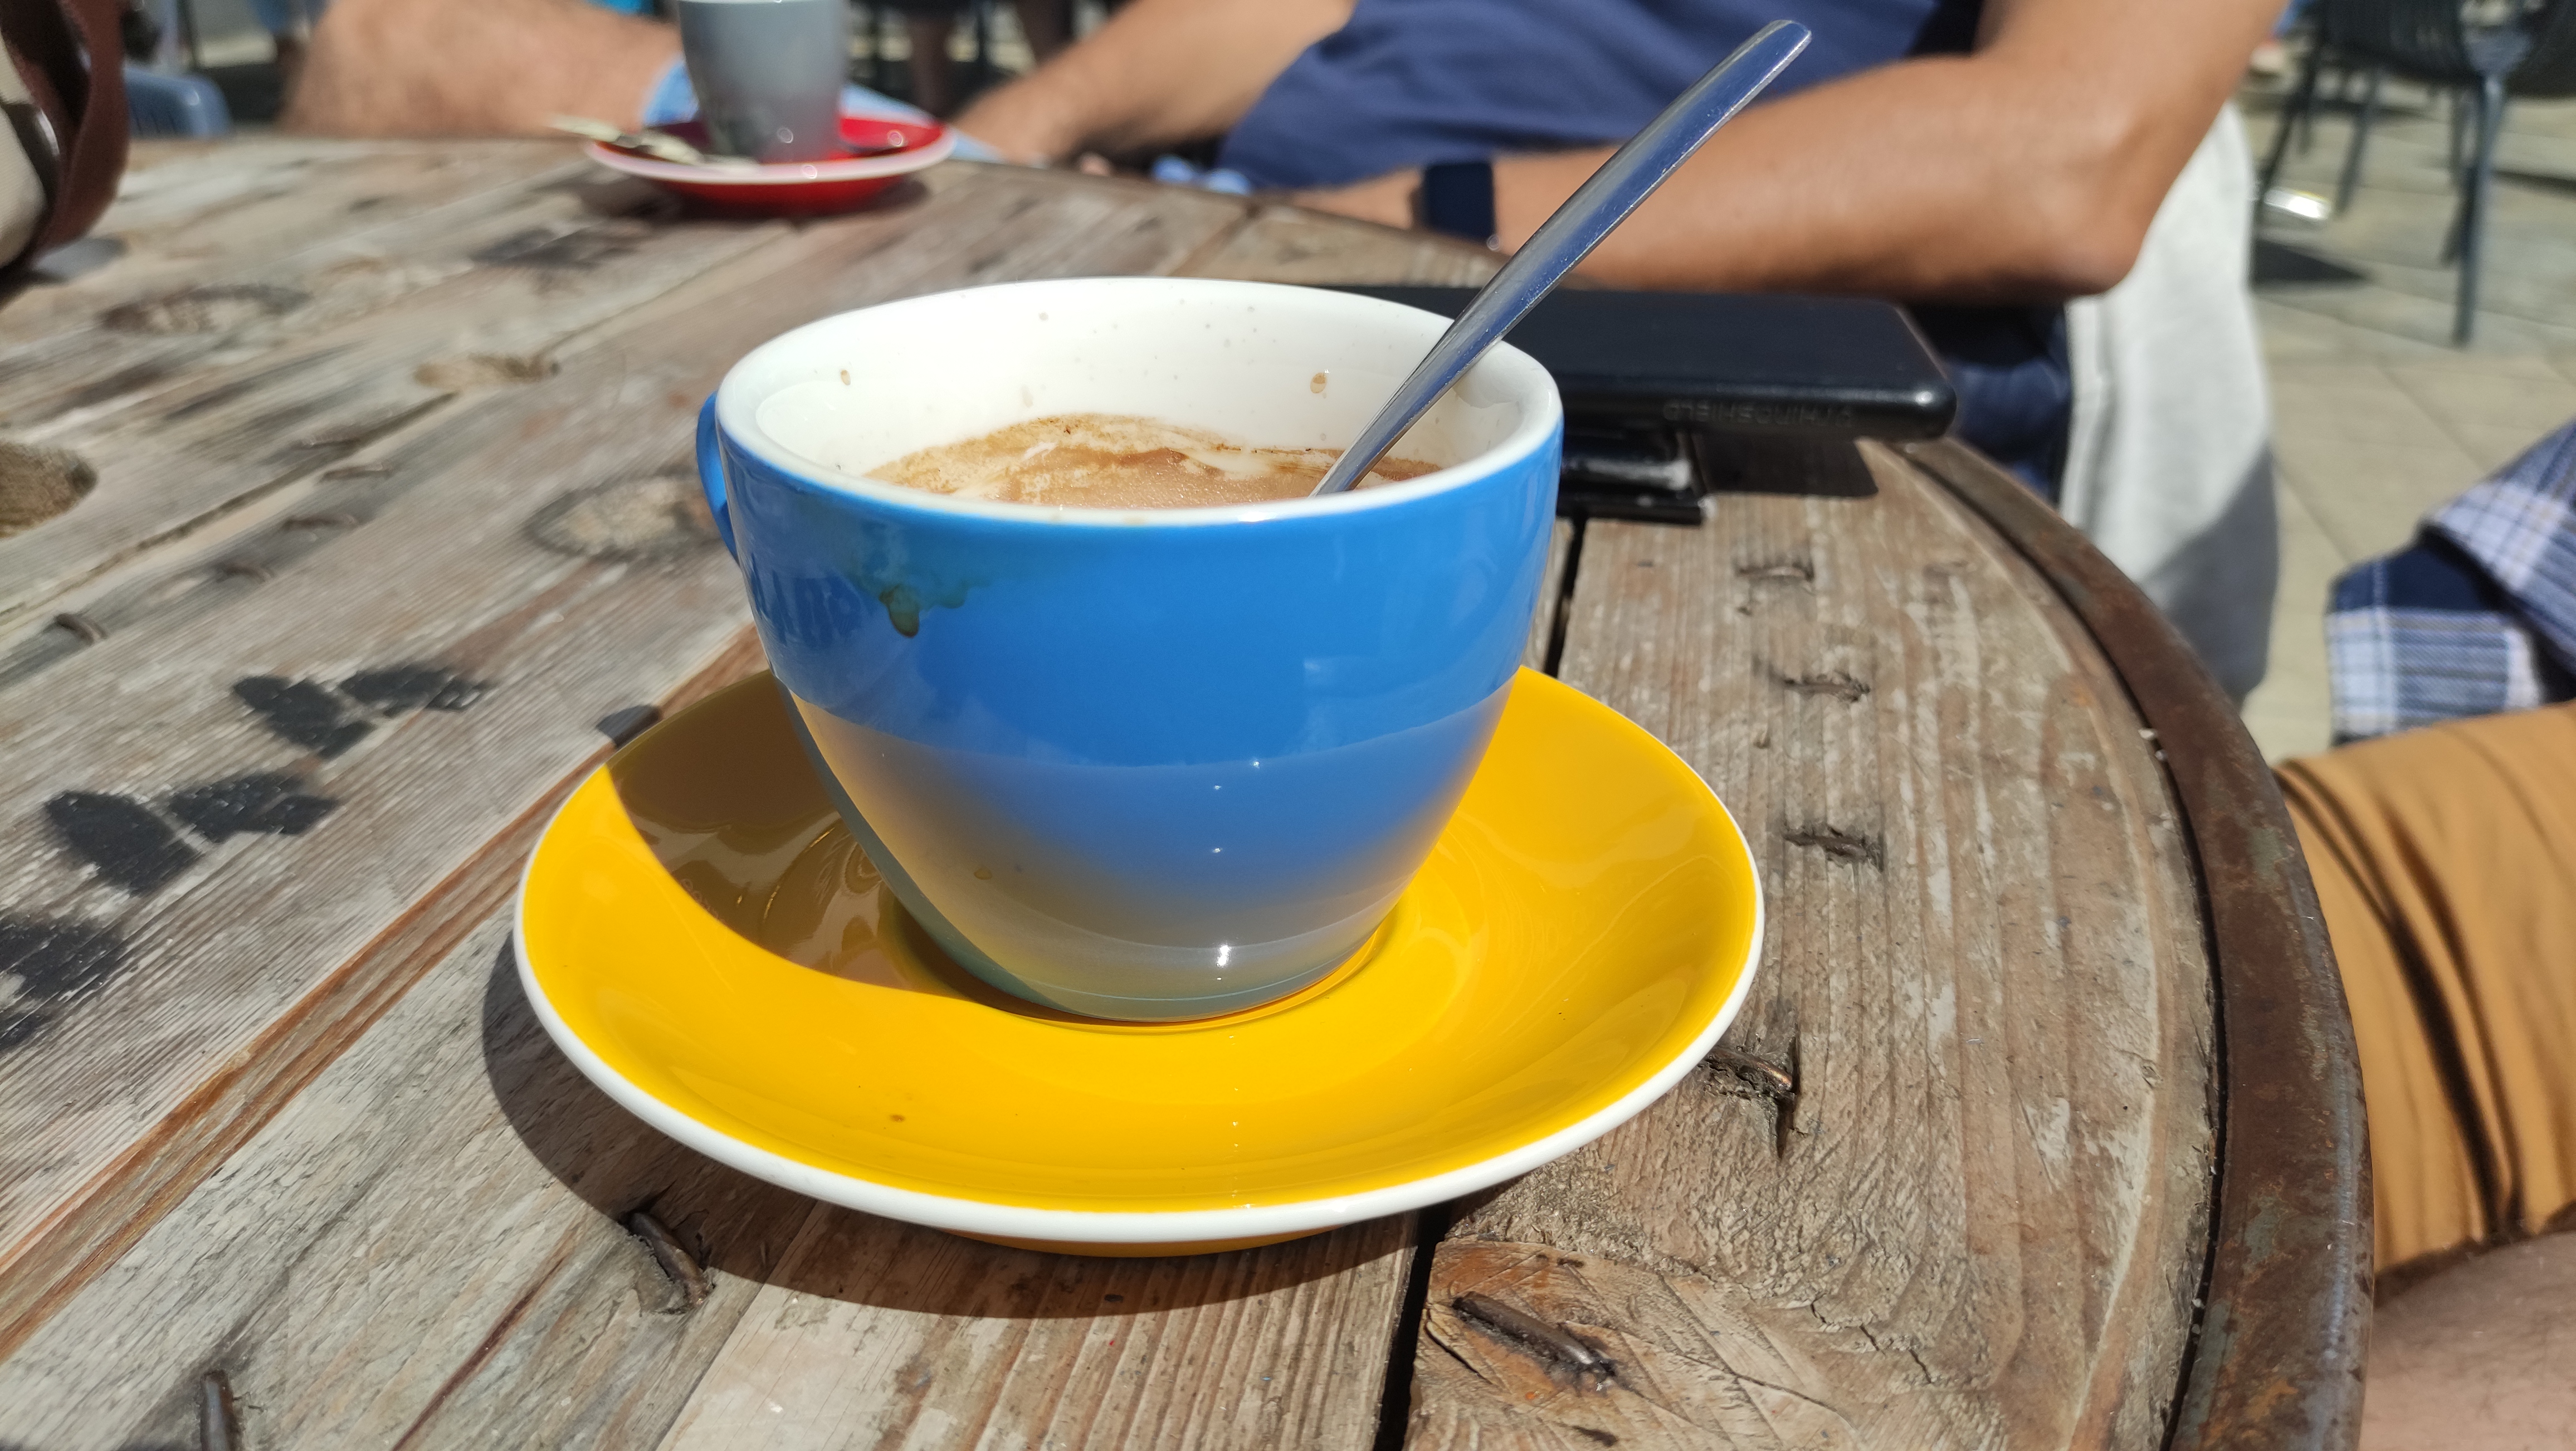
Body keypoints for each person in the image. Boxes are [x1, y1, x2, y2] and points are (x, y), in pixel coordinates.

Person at [951, 0, 2284, 699]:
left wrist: (1398, 223)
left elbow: (2062, 154)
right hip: (1262, 233)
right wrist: (1002, 142)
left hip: (1637, 345)